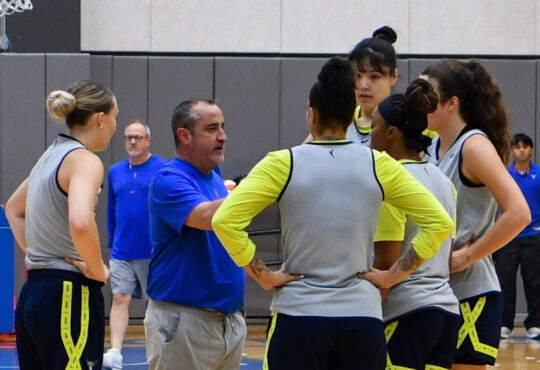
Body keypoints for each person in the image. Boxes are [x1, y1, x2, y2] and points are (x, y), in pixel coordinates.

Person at [212, 57, 454, 370]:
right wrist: (392, 276)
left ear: (311, 115)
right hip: (361, 320)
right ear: (352, 120)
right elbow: (440, 223)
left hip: (299, 316)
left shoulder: (282, 163)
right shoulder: (378, 165)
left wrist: (266, 276)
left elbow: (224, 220)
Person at [425, 59, 531, 369]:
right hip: (437, 291)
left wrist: (466, 256)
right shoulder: (432, 146)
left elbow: (519, 213)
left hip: (472, 294)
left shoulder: (474, 146)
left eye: (427, 93)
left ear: (451, 103)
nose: (419, 99)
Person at [4, 80, 117, 369]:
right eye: (115, 117)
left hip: (34, 293)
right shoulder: (85, 160)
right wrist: (96, 269)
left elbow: (14, 209)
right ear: (101, 119)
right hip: (68, 294)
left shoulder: (49, 156)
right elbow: (80, 222)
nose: (116, 126)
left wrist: (39, 253)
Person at [144, 99, 246, 370]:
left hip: (229, 322)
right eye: (212, 128)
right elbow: (209, 217)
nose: (222, 136)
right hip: (184, 323)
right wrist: (260, 185)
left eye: (222, 127)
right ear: (184, 135)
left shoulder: (214, 177)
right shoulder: (168, 179)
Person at [368, 78, 460, 369]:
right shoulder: (443, 181)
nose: (369, 135)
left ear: (391, 133)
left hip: (405, 313)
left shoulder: (391, 184)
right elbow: (446, 251)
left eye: (373, 126)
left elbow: (385, 263)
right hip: (446, 313)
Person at [103, 121, 166, 369]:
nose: (132, 141)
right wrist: (112, 239)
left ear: (148, 141)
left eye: (138, 137)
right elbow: (111, 209)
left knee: (156, 304)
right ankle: (116, 352)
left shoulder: (163, 168)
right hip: (122, 249)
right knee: (119, 297)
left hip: (154, 250)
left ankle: (157, 354)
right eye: (129, 137)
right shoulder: (115, 171)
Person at [303, 25, 399, 145]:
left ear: (393, 77)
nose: (363, 85)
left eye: (374, 77)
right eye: (357, 76)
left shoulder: (403, 123)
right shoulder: (340, 117)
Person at [495, 133, 540, 340]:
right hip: (508, 238)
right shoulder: (504, 174)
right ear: (512, 150)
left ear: (531, 150)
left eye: (525, 147)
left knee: (534, 282)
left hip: (533, 236)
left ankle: (534, 324)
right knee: (505, 282)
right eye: (518, 147)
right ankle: (505, 323)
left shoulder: (539, 174)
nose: (521, 150)